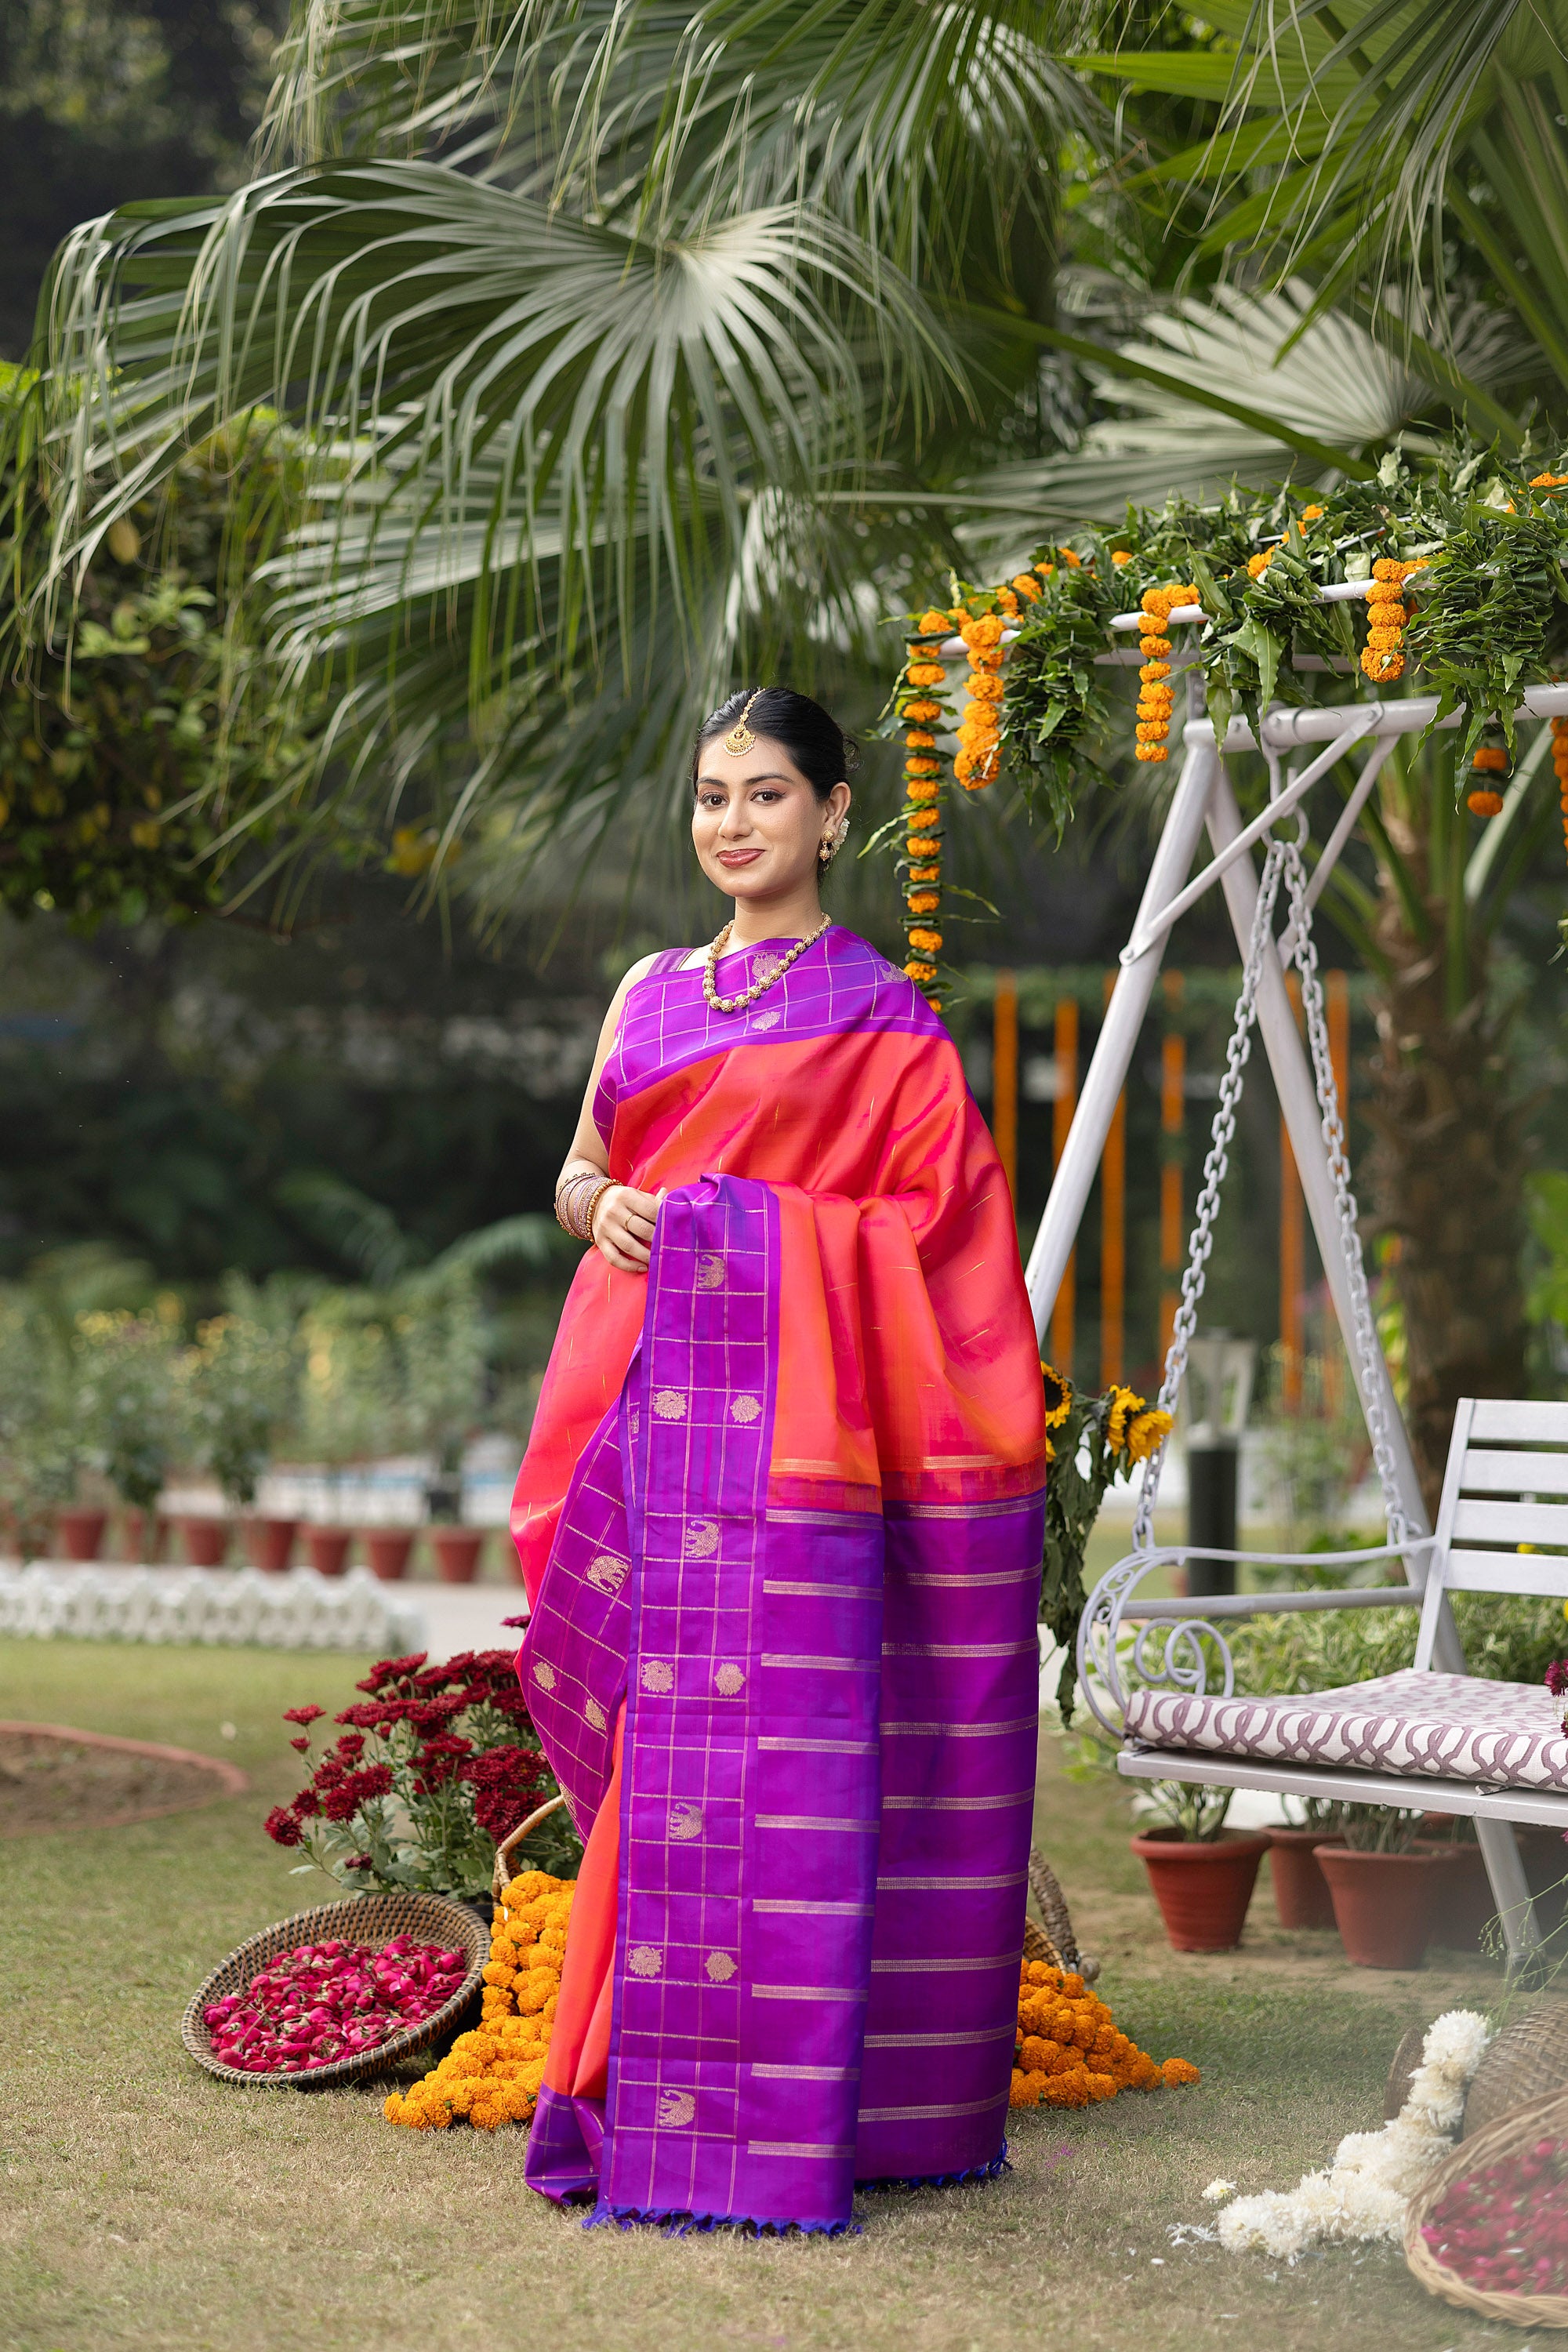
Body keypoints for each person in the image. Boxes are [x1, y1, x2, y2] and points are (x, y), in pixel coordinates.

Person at [510, 685, 1047, 2233]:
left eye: (763, 795)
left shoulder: (884, 1019)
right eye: (710, 797)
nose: (731, 824)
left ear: (832, 814)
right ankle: (628, 2085)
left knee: (774, 1760)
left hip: (797, 1456)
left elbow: (940, 1240)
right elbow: (585, 1165)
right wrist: (596, 1207)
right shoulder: (648, 989)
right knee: (656, 1755)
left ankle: (780, 2111)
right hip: (640, 1416)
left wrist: (747, 1234)